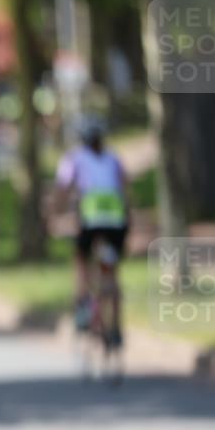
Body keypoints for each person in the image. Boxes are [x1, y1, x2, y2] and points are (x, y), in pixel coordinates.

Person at [54, 117, 132, 345]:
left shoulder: (74, 159)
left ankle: (83, 309)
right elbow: (126, 189)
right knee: (112, 272)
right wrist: (129, 219)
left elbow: (63, 189)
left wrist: (56, 214)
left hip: (91, 220)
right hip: (116, 221)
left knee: (81, 260)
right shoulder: (114, 158)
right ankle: (116, 327)